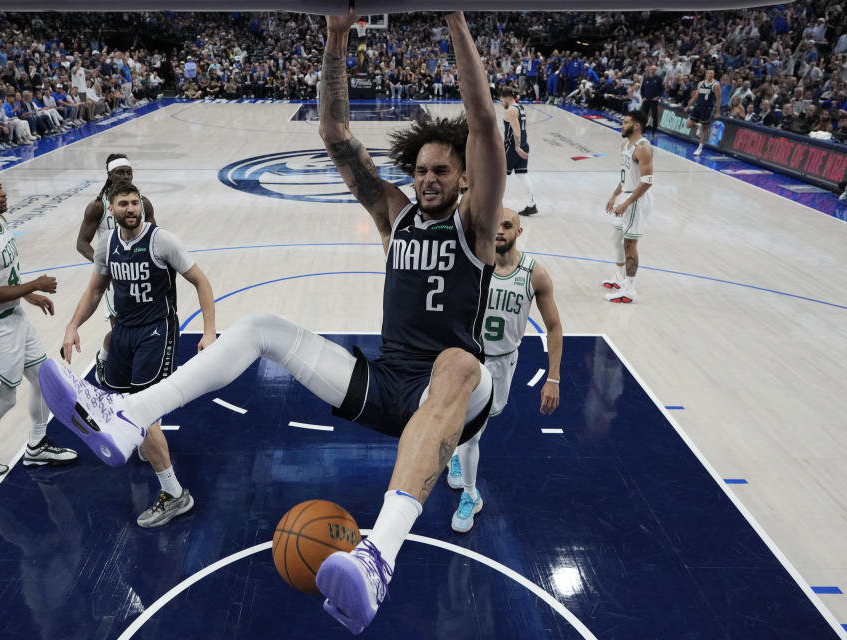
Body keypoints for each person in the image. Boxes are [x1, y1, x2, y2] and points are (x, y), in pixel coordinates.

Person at [37, 11, 503, 635]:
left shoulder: (475, 225)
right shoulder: (397, 217)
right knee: (258, 324)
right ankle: (129, 417)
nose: (427, 179)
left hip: (456, 392)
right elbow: (336, 131)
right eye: (420, 170)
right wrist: (337, 34)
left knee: (460, 362)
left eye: (441, 171)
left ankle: (377, 558)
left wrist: (453, 16)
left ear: (466, 178)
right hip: (391, 384)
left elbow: (483, 123)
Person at [60, 181, 215, 527]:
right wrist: (73, 325)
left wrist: (208, 332)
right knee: (119, 399)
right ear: (111, 210)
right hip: (123, 331)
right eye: (123, 204)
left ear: (141, 208)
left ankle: (175, 494)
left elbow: (201, 281)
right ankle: (146, 442)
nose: (131, 209)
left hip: (157, 330)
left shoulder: (162, 241)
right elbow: (96, 289)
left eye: (135, 203)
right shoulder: (106, 246)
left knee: (144, 413)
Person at [0, 173, 77, 477]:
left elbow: (3, 275)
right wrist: (36, 284)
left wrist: (29, 294)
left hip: (14, 317)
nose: (3, 193)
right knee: (5, 397)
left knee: (46, 380)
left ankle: (36, 446)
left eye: (1, 187)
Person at [445, 207, 563, 532]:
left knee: (469, 430)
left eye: (507, 225)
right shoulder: (473, 265)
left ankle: (457, 457)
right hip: (468, 358)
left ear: (518, 232)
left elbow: (554, 327)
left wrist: (553, 378)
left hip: (502, 364)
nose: (499, 230)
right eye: (494, 224)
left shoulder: (533, 274)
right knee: (470, 434)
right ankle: (471, 495)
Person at [74, 154, 156, 380]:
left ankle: (134, 369)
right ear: (109, 175)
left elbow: (153, 236)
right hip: (114, 279)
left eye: (129, 172)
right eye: (120, 172)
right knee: (122, 331)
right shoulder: (98, 206)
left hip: (140, 276)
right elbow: (82, 243)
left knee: (142, 329)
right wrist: (104, 264)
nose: (126, 176)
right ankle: (105, 359)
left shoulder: (143, 202)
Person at [602, 109, 653, 303]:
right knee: (616, 238)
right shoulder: (625, 145)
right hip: (626, 195)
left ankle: (629, 289)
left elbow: (647, 181)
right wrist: (615, 195)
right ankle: (620, 277)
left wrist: (626, 202)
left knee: (630, 243)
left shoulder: (643, 148)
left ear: (637, 126)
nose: (621, 125)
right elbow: (626, 175)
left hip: (636, 199)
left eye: (625, 122)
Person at [499, 88, 537, 216]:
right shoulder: (520, 107)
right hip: (524, 144)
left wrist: (516, 147)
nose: (501, 103)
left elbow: (516, 129)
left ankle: (495, 207)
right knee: (522, 175)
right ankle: (531, 205)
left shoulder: (511, 110)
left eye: (501, 100)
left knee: (501, 176)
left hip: (513, 147)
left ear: (507, 98)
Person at [685, 68, 721, 156]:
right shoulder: (701, 83)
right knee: (688, 124)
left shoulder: (715, 85)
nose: (711, 75)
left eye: (712, 73)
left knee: (704, 130)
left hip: (707, 108)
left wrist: (717, 112)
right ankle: (698, 125)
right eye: (709, 73)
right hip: (698, 106)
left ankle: (699, 148)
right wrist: (689, 105)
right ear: (706, 74)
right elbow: (696, 95)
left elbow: (718, 99)